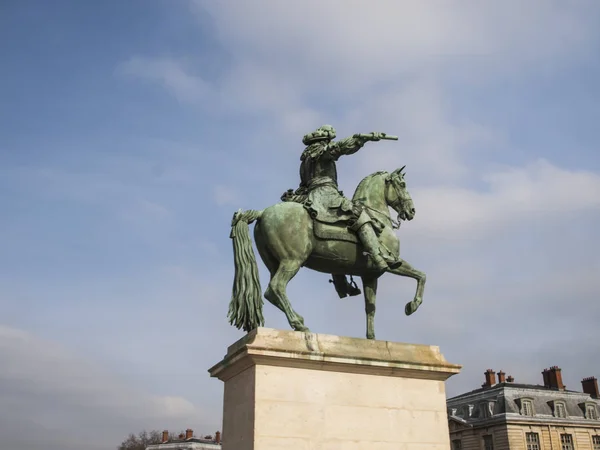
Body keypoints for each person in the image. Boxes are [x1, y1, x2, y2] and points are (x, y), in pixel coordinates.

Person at [286, 124, 397, 272]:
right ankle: (377, 256)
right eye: (328, 140)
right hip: (325, 194)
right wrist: (360, 140)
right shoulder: (321, 152)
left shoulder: (306, 159)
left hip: (309, 195)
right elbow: (339, 148)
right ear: (324, 141)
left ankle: (341, 282)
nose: (329, 143)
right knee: (360, 215)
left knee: (340, 228)